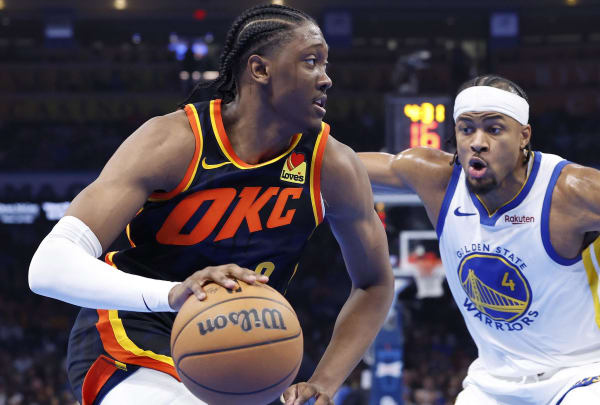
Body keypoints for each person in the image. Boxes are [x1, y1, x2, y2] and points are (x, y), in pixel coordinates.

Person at [28, 4, 394, 405]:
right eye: (311, 62)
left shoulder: (332, 164)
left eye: (325, 64)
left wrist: (325, 381)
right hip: (133, 335)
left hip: (244, 343)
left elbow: (375, 283)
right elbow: (47, 267)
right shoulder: (174, 140)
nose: (326, 79)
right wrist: (173, 294)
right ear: (260, 70)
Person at [358, 74, 600, 405]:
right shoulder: (432, 178)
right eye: (466, 129)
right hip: (495, 381)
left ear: (524, 136)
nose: (478, 143)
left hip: (590, 374)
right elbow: (333, 166)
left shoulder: (578, 192)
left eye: (495, 129)